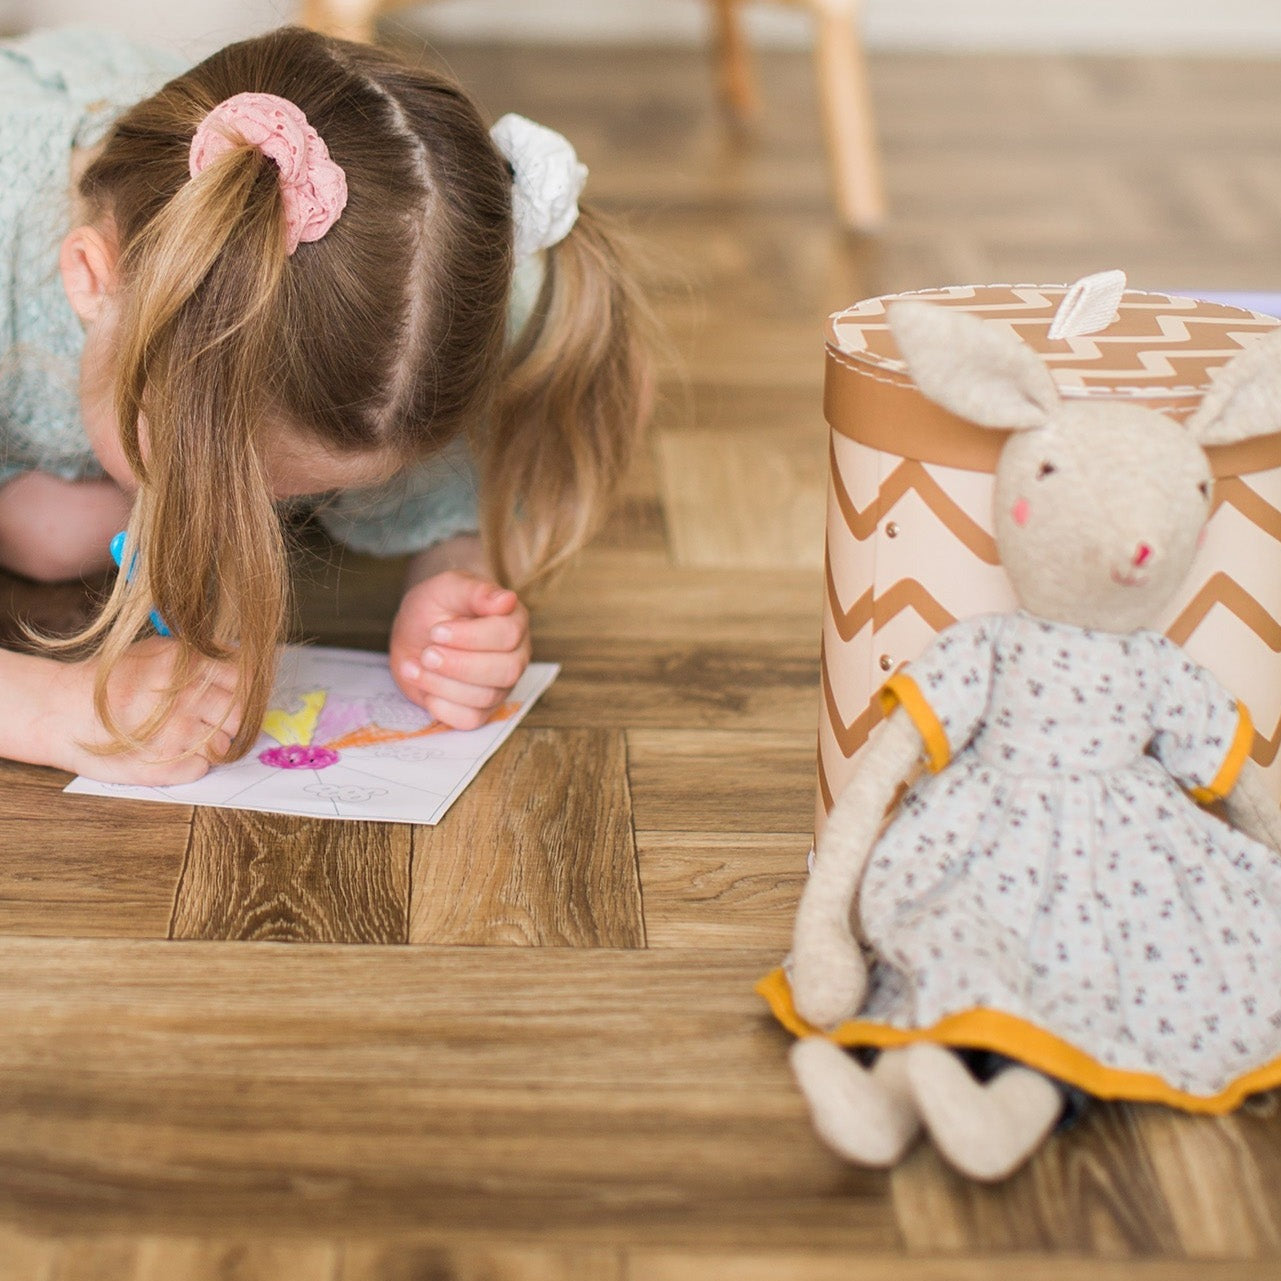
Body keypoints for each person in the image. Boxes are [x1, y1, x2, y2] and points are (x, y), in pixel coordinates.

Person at [0, 25, 652, 784]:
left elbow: (537, 431)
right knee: (57, 532)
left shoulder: (416, 295)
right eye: (216, 472)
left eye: (299, 494)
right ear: (88, 278)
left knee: (60, 532)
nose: (244, 519)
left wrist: (454, 582)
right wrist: (53, 708)